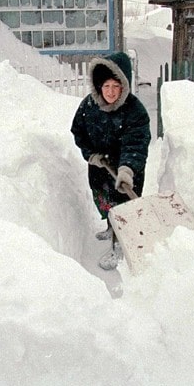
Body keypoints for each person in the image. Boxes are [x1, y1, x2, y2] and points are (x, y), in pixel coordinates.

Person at [70, 51, 150, 270]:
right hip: (99, 168)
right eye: (106, 86)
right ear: (99, 86)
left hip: (125, 170)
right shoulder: (89, 106)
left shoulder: (135, 111)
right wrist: (91, 155)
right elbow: (78, 131)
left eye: (116, 86)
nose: (111, 92)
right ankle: (110, 227)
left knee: (123, 207)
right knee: (105, 200)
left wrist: (127, 169)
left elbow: (136, 143)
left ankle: (119, 248)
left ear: (124, 86)